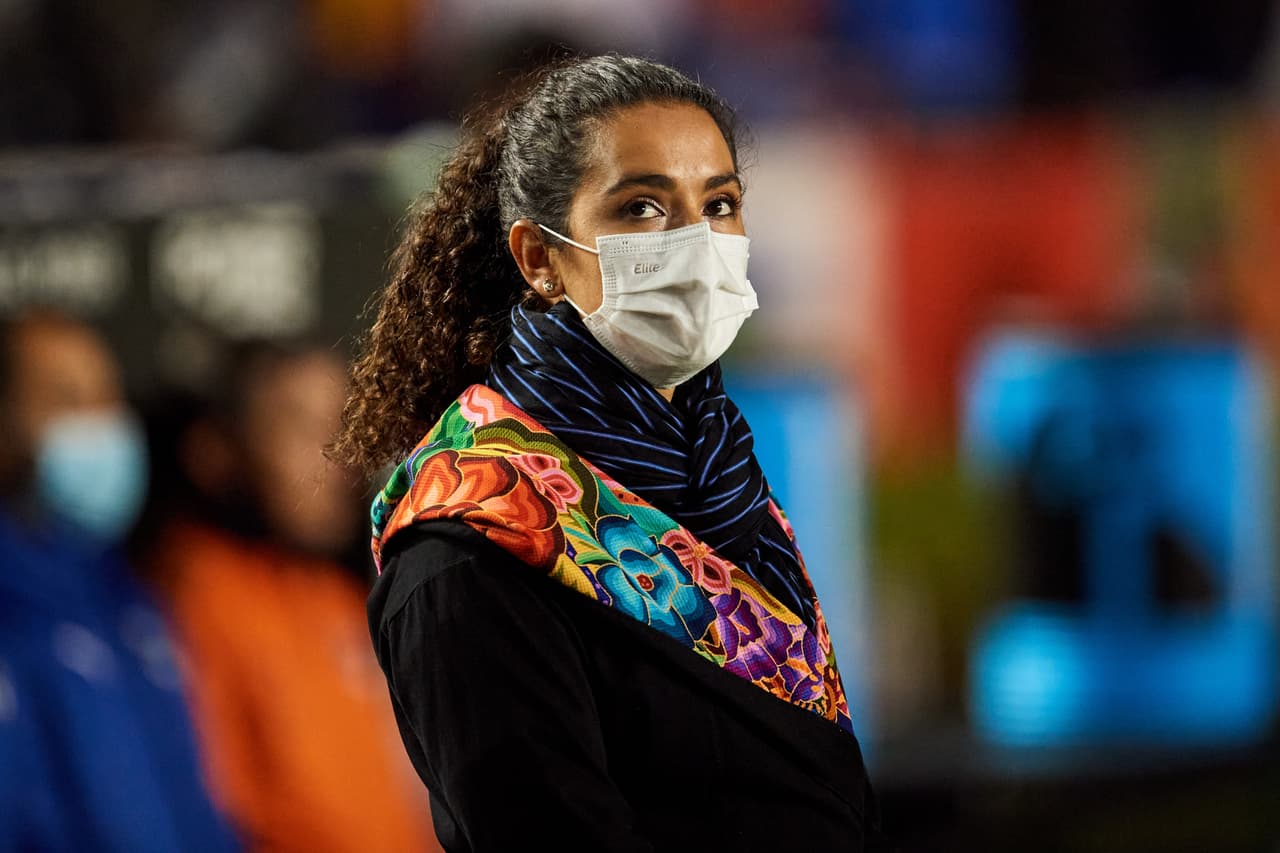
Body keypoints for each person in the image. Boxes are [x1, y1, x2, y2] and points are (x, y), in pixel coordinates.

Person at [332, 55, 885, 851]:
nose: (698, 241)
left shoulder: (719, 478)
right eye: (643, 208)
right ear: (539, 259)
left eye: (719, 203)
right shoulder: (468, 556)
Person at [143, 341, 440, 853]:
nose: (338, 459)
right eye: (300, 428)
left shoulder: (333, 591)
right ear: (218, 451)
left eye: (341, 427)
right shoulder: (192, 593)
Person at [0, 309, 240, 852]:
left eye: (108, 398)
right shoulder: (11, 613)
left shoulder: (133, 601)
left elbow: (196, 804)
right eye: (68, 401)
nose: (102, 423)